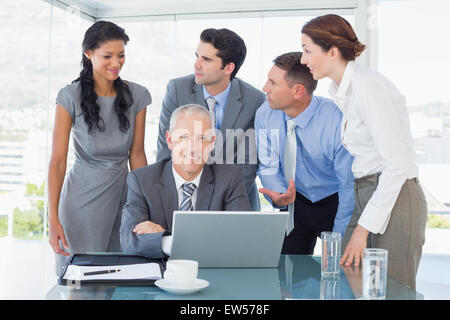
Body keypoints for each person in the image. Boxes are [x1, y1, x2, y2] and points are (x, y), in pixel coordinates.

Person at [300, 14, 427, 289]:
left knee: (392, 290)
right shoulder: (342, 91)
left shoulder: (368, 87)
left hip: (396, 194)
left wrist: (362, 229)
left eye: (307, 50)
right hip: (366, 192)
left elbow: (397, 165)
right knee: (350, 280)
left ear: (332, 52)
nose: (303, 59)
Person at [48, 21, 151, 275]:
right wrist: (53, 219)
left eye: (121, 55)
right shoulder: (69, 97)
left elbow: (137, 154)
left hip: (125, 198)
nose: (116, 63)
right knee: (82, 279)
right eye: (107, 56)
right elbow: (58, 161)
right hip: (82, 202)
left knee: (120, 277)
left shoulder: (137, 96)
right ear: (89, 54)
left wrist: (147, 205)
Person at [120, 104, 251, 258]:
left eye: (202, 138)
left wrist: (165, 239)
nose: (193, 148)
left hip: (211, 273)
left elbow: (242, 238)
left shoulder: (229, 177)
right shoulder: (142, 180)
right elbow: (129, 242)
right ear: (169, 140)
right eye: (184, 137)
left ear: (212, 142)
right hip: (161, 276)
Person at [156, 28, 265, 211]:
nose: (196, 64)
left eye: (206, 59)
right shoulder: (177, 90)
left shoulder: (254, 101)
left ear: (228, 68)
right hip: (184, 198)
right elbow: (166, 152)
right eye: (197, 56)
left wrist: (215, 206)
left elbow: (246, 166)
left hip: (236, 201)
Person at [256, 52, 354, 255]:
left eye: (273, 83)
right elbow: (268, 165)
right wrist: (279, 193)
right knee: (284, 274)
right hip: (294, 200)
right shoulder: (265, 114)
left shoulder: (336, 119)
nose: (265, 88)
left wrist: (339, 240)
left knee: (341, 268)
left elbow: (348, 184)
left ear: (298, 91)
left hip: (335, 201)